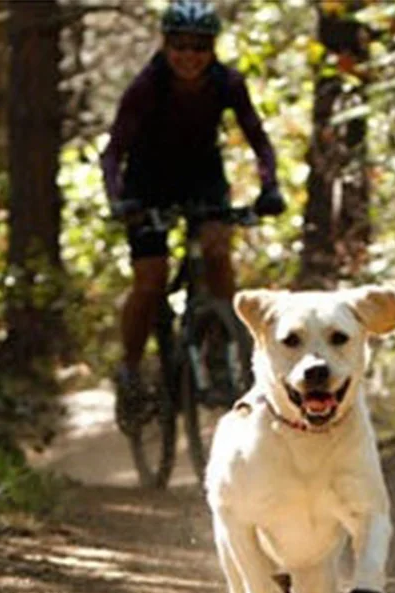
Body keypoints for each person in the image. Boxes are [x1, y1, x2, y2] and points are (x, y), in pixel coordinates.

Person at [101, 0, 286, 434]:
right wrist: (118, 201)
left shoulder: (227, 83)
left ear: (212, 48)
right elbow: (112, 154)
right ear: (165, 46)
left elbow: (259, 139)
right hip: (146, 184)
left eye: (199, 47)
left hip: (202, 178)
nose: (189, 56)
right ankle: (129, 370)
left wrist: (270, 185)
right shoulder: (146, 86)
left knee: (218, 252)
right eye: (180, 46)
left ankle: (219, 349)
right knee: (150, 279)